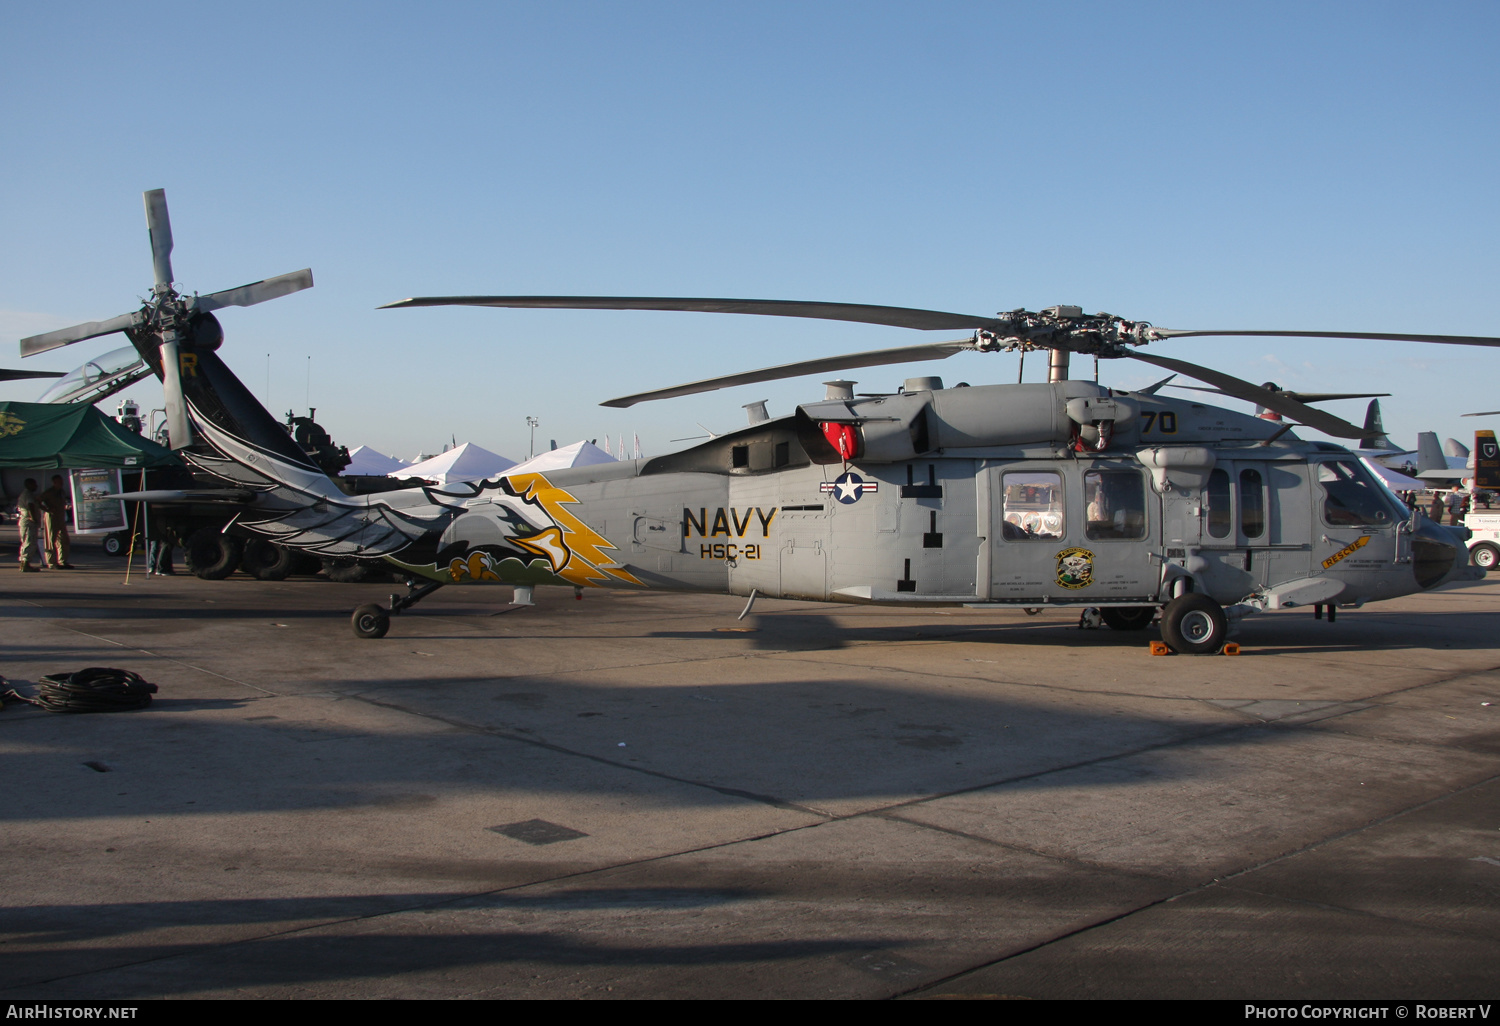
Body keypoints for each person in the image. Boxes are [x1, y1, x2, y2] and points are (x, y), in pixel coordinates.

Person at [39, 474, 74, 569]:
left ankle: (62, 561)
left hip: (61, 517)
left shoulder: (62, 492)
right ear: (54, 483)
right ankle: (51, 562)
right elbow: (38, 500)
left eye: (62, 482)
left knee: (64, 539)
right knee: (50, 540)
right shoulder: (49, 492)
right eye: (59, 482)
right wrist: (47, 509)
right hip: (52, 517)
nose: (62, 484)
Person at [15, 478, 41, 572]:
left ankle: (24, 563)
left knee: (25, 542)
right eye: (34, 484)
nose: (36, 486)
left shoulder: (25, 494)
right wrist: (34, 518)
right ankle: (25, 563)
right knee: (29, 542)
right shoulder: (28, 495)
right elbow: (31, 506)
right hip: (29, 522)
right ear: (29, 485)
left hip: (24, 521)